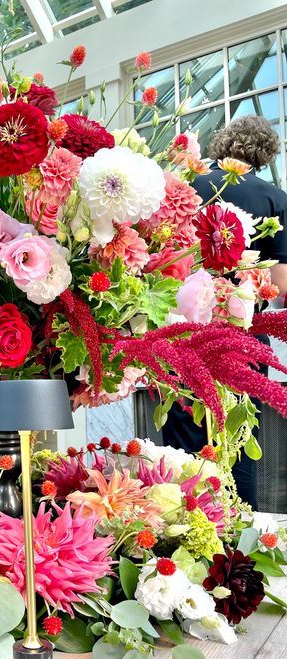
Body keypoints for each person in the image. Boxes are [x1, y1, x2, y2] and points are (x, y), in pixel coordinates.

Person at [162, 116, 287, 508]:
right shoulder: (274, 199)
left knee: (181, 444)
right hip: (240, 333)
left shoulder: (185, 187)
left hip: (179, 331)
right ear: (265, 154)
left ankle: (182, 534)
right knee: (234, 437)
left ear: (222, 146)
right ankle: (234, 542)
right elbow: (282, 284)